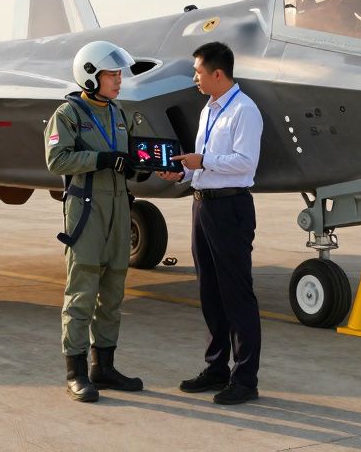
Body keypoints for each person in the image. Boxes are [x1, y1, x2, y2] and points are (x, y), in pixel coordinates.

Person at [158, 41, 264, 405]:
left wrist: (202, 161)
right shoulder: (209, 109)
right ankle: (216, 367)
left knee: (237, 293)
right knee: (210, 292)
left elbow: (245, 163)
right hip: (203, 206)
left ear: (218, 74)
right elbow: (205, 164)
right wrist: (183, 173)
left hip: (230, 207)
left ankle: (245, 379)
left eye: (198, 72)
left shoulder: (244, 110)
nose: (194, 78)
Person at [45, 40, 148, 402]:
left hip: (119, 208)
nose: (119, 80)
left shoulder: (119, 113)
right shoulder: (68, 114)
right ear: (90, 76)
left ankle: (103, 367)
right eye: (112, 74)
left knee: (113, 291)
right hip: (87, 209)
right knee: (82, 290)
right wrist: (101, 159)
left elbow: (130, 155)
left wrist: (138, 165)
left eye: (119, 74)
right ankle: (75, 372)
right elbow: (57, 160)